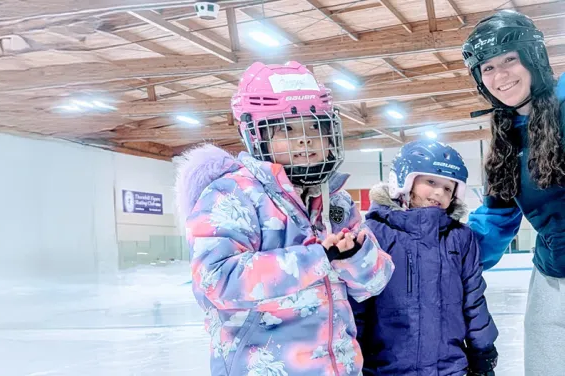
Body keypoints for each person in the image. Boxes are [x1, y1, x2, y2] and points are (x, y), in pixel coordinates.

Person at [174, 61, 394, 376]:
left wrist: (353, 257)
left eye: (315, 127)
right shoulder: (232, 195)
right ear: (257, 136)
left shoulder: (335, 203)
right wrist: (320, 257)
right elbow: (215, 283)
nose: (304, 139)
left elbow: (373, 282)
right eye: (286, 129)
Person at [462, 9, 565, 375]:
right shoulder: (507, 139)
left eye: (510, 59)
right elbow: (494, 221)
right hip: (552, 277)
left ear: (534, 58)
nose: (500, 75)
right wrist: (441, 255)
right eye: (487, 68)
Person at [350, 140, 499, 376]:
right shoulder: (374, 233)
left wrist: (483, 349)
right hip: (386, 368)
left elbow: (474, 298)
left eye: (448, 188)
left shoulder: (460, 238)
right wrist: (349, 353)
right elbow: (357, 303)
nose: (439, 192)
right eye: (431, 182)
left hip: (449, 368)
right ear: (403, 181)